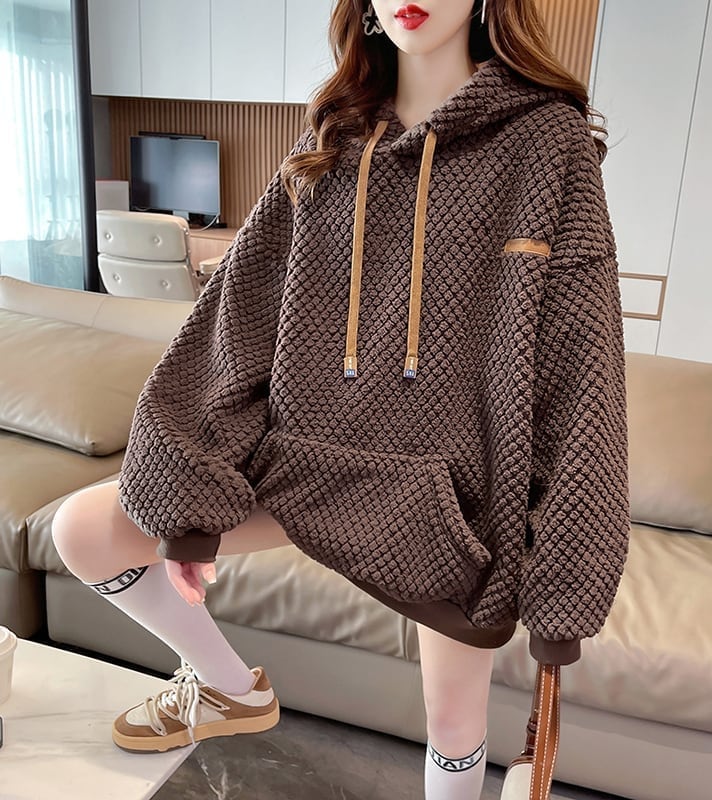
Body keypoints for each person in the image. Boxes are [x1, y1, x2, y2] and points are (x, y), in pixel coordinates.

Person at [52, 1, 630, 798]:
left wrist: (566, 582)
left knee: (455, 725)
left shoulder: (545, 141)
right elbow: (238, 317)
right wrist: (189, 492)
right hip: (301, 465)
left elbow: (582, 370)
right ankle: (226, 688)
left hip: (449, 503)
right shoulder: (332, 137)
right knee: (82, 532)